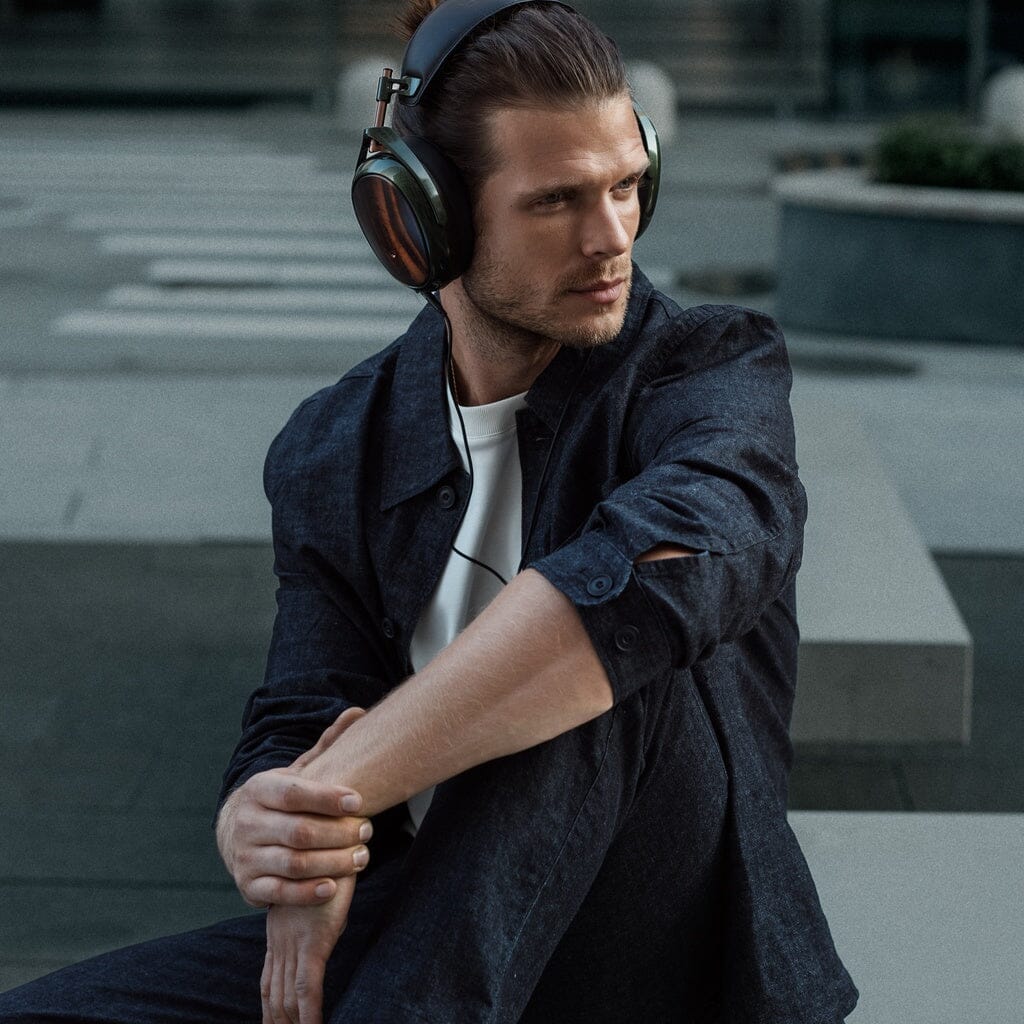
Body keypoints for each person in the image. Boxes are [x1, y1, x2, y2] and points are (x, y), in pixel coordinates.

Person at [0, 1, 858, 1022]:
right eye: (556, 203)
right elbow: (305, 703)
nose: (612, 237)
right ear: (424, 218)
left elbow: (685, 558)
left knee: (591, 647)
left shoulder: (708, 365)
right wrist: (269, 823)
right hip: (434, 923)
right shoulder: (337, 445)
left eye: (627, 186)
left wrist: (345, 785)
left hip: (663, 962)